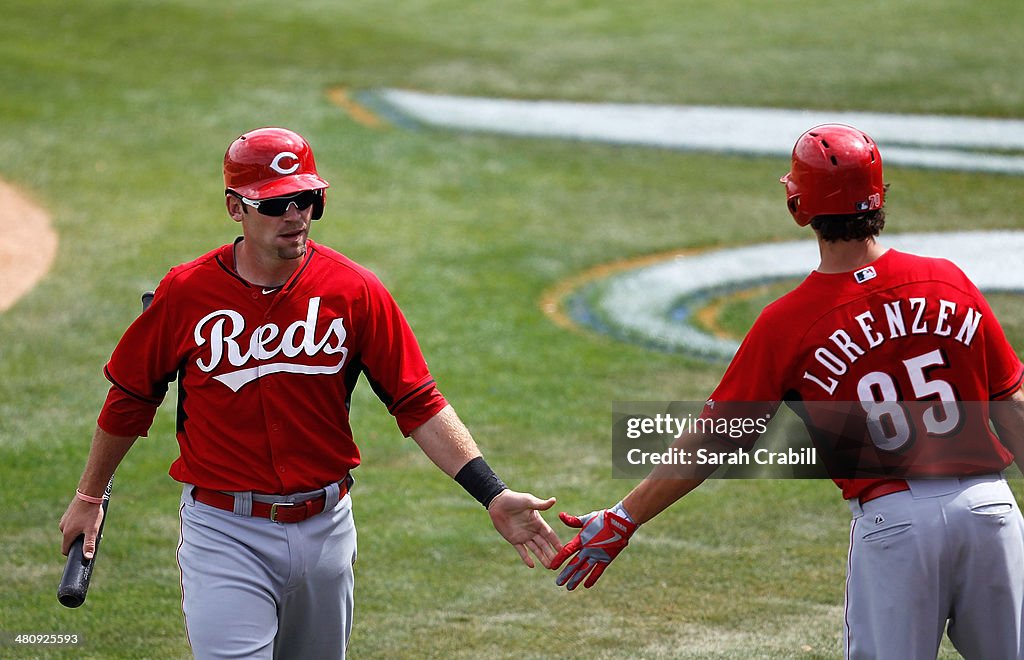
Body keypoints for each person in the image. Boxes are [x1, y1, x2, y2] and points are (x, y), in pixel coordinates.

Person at [60, 126, 562, 659]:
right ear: (236, 208)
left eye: (307, 200)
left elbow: (418, 404)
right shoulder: (186, 293)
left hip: (326, 529)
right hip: (225, 531)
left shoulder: (354, 290)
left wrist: (493, 492)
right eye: (277, 203)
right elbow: (130, 399)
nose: (295, 215)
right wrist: (91, 495)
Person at [551, 123, 1024, 659]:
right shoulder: (947, 280)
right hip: (991, 509)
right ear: (881, 197)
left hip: (896, 526)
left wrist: (623, 517)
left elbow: (716, 440)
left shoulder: (788, 322)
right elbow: (1013, 406)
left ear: (800, 209)